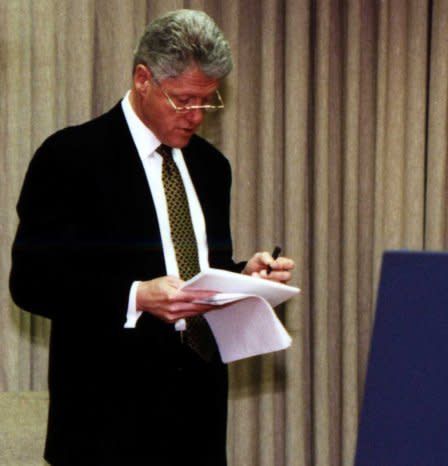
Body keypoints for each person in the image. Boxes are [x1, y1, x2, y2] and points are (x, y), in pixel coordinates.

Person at [9, 9, 294, 466]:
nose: (197, 116)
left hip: (198, 415)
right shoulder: (71, 156)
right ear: (143, 79)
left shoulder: (210, 167)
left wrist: (246, 276)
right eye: (184, 100)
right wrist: (137, 296)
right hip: (105, 422)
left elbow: (197, 273)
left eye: (208, 100)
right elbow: (32, 282)